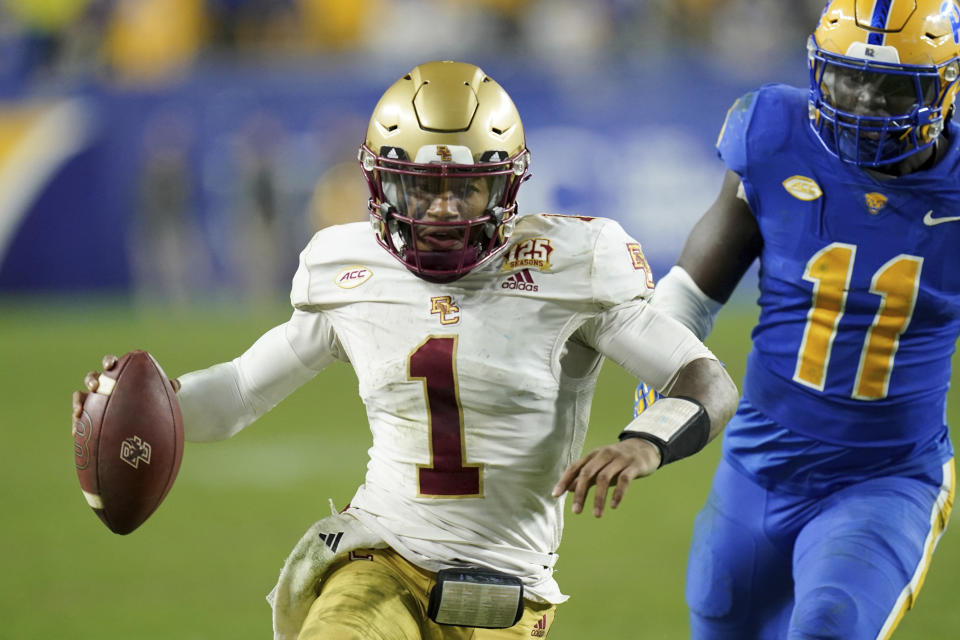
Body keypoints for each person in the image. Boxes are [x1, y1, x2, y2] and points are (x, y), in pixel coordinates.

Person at [73, 61, 738, 639]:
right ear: (382, 185)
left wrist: (643, 443)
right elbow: (245, 389)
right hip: (380, 553)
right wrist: (142, 407)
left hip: (506, 587)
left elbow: (703, 380)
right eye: (421, 186)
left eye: (464, 187)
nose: (443, 208)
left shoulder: (570, 267)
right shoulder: (349, 267)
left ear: (505, 187)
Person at [632, 1, 960, 638]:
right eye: (845, 78)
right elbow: (695, 289)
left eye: (892, 87)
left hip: (886, 478)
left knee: (828, 625)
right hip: (757, 465)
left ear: (946, 87)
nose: (863, 102)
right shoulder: (775, 135)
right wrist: (659, 360)